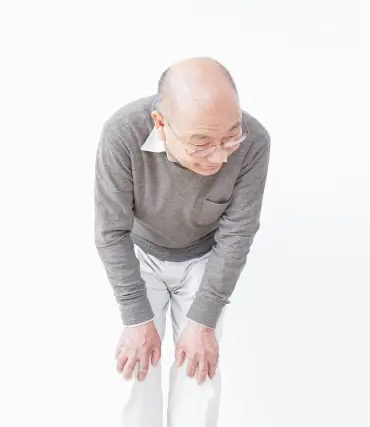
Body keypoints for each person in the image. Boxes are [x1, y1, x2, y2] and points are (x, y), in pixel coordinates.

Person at [93, 57, 270, 427]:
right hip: (141, 254)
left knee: (199, 371)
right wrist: (136, 317)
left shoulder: (254, 141)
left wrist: (203, 322)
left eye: (230, 138)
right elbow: (111, 231)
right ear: (161, 124)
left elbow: (237, 234)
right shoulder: (122, 134)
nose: (219, 156)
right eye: (201, 143)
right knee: (134, 369)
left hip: (206, 257)